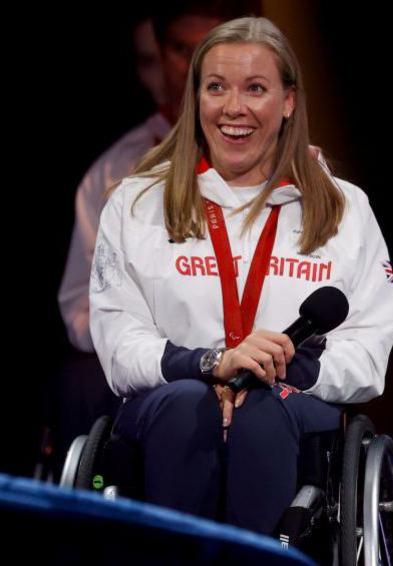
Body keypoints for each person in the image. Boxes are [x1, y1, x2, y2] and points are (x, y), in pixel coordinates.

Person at [89, 16, 393, 534]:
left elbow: (369, 352)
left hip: (289, 407)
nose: (234, 108)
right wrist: (211, 363)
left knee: (262, 412)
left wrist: (284, 369)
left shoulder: (345, 209)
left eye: (255, 88)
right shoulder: (137, 202)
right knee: (189, 407)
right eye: (216, 88)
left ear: (288, 101)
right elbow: (119, 345)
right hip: (172, 404)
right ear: (195, 98)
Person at [54, 0, 253, 462]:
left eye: (215, 47)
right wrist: (158, 348)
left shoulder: (281, 167)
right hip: (152, 362)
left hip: (253, 357)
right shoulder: (114, 174)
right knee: (81, 383)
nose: (197, 65)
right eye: (184, 49)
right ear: (159, 58)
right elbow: (80, 308)